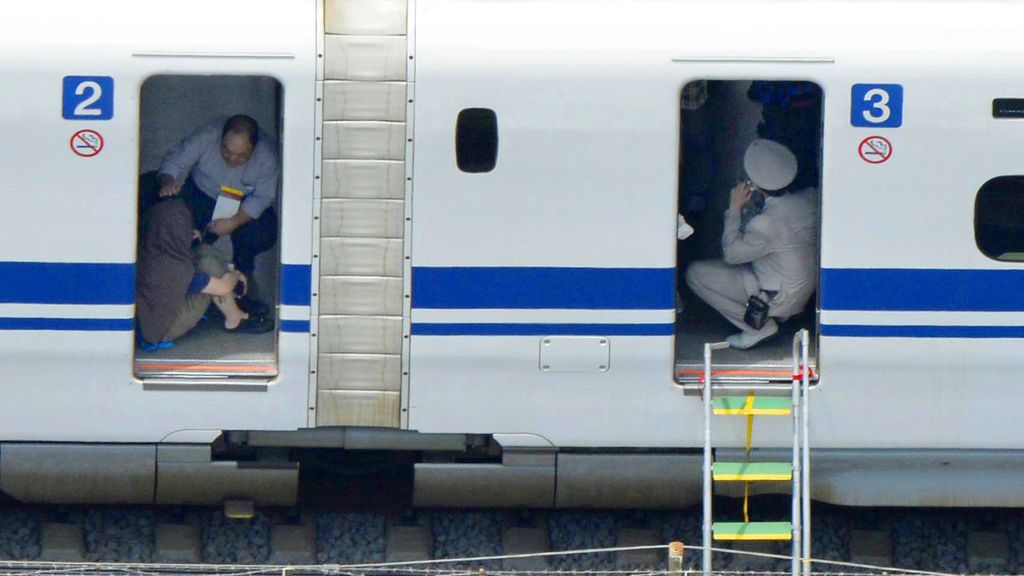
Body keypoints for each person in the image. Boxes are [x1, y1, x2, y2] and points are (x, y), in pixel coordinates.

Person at [685, 139, 818, 350]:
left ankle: (758, 328)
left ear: (754, 185)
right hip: (800, 290)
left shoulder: (765, 224)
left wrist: (734, 209)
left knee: (695, 273)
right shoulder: (809, 198)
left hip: (778, 298)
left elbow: (732, 254)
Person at [156, 115, 279, 287]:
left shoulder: (267, 156)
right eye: (226, 150)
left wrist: (234, 222)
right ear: (221, 139)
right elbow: (175, 160)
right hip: (202, 192)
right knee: (183, 234)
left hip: (243, 202)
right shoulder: (207, 135)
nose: (232, 159)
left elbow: (263, 197)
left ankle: (242, 280)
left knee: (260, 234)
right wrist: (168, 181)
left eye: (241, 155)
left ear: (253, 148)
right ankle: (194, 283)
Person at [136, 200, 273, 350]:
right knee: (209, 266)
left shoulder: (152, 250)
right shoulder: (174, 270)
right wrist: (235, 274)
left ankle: (233, 299)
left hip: (151, 315)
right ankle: (235, 319)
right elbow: (222, 287)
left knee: (204, 251)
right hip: (160, 330)